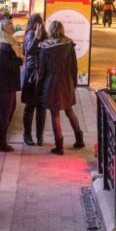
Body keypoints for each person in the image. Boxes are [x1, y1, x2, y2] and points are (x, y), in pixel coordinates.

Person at [37, 21, 84, 155]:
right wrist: (73, 83)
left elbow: (42, 71)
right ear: (62, 30)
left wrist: (39, 87)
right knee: (69, 110)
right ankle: (79, 139)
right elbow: (74, 67)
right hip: (66, 80)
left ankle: (59, 145)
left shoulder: (45, 47)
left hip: (51, 82)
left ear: (50, 31)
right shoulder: (69, 45)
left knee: (55, 113)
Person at [0, 16, 22, 152]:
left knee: (10, 110)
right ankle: (1, 142)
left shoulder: (7, 41)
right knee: (5, 112)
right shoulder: (0, 43)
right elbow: (4, 63)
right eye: (10, 27)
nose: (12, 29)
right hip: (2, 83)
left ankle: (1, 139)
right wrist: (19, 61)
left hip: (8, 82)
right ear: (4, 29)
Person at [20, 13, 47, 146]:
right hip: (32, 73)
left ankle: (39, 136)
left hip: (40, 73)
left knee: (41, 107)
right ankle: (28, 135)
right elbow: (29, 51)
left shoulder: (44, 34)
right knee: (31, 106)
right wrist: (36, 37)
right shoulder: (30, 34)